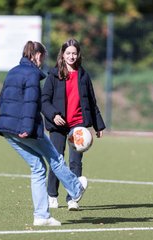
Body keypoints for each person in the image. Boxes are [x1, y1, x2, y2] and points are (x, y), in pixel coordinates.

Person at [0, 41, 88, 226]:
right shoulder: (31, 74)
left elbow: (1, 101)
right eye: (43, 57)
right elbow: (30, 104)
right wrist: (26, 129)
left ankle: (41, 216)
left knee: (38, 167)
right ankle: (76, 189)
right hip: (25, 129)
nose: (42, 61)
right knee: (55, 157)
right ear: (37, 55)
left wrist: (11, 123)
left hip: (6, 129)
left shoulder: (13, 71)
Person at [41, 38, 106, 211]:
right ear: (62, 54)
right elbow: (44, 100)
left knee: (76, 162)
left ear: (78, 55)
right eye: (68, 53)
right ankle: (52, 196)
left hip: (78, 125)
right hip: (59, 125)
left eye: (74, 53)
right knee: (57, 160)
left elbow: (91, 101)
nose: (71, 56)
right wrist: (53, 115)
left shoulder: (84, 76)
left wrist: (98, 126)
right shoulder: (54, 75)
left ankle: (73, 197)